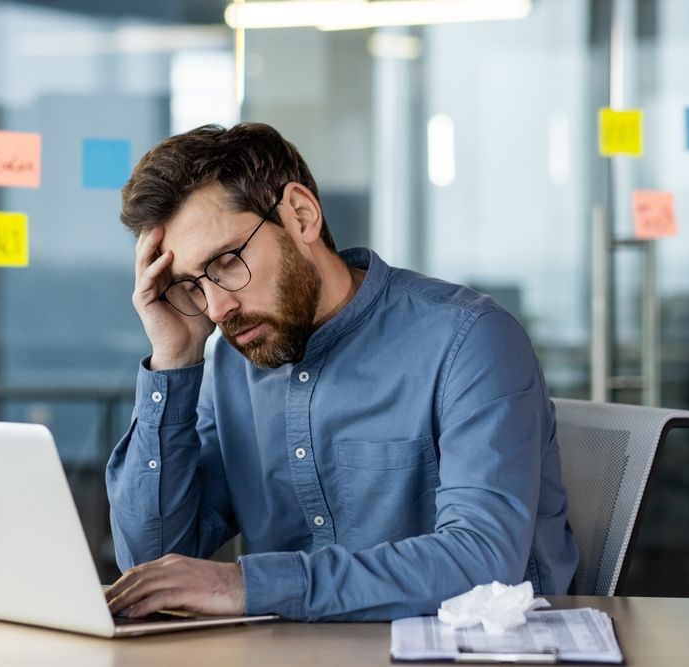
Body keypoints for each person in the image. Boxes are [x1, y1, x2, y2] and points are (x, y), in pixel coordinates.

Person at [104, 123, 579, 622]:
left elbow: (482, 562)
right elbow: (149, 564)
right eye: (191, 286)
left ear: (302, 216)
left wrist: (247, 585)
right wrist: (174, 360)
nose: (218, 307)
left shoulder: (468, 339)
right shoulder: (229, 366)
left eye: (225, 261)